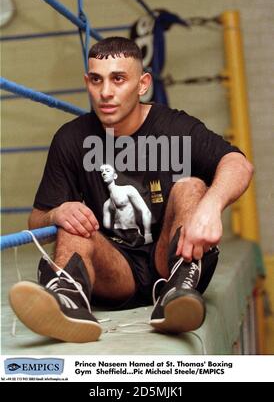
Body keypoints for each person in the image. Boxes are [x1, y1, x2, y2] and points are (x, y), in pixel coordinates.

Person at [9, 37, 254, 343]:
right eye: (96, 80)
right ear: (87, 82)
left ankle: (177, 295)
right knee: (73, 217)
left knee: (191, 186)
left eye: (118, 79)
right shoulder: (71, 139)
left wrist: (210, 206)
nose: (106, 92)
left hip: (171, 259)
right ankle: (67, 302)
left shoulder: (174, 127)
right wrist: (57, 213)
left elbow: (238, 164)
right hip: (115, 269)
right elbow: (36, 219)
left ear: (142, 84)